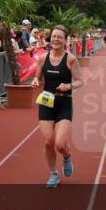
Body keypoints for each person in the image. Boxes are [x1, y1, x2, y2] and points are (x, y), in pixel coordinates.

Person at [31, 25, 83, 188]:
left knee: (60, 144)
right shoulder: (43, 58)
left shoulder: (71, 59)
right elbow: (37, 76)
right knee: (48, 142)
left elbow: (80, 81)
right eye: (53, 36)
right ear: (50, 38)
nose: (55, 39)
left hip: (64, 103)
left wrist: (69, 86)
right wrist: (35, 81)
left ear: (65, 40)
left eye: (59, 37)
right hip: (47, 102)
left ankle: (67, 156)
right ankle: (54, 173)